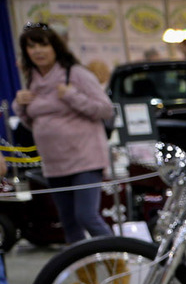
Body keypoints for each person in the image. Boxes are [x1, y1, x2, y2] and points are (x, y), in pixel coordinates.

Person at [14, 23, 114, 244]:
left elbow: (106, 109)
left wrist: (72, 96)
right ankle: (81, 273)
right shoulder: (32, 79)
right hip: (54, 162)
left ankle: (118, 263)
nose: (38, 51)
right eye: (31, 46)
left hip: (85, 159)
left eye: (43, 44)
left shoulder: (75, 73)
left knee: (87, 216)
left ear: (55, 47)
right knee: (68, 222)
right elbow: (34, 123)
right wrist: (20, 106)